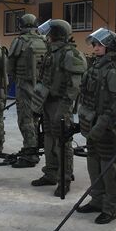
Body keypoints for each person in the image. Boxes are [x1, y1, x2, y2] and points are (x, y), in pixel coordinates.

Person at [76, 28, 116, 224]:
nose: (94, 48)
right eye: (93, 45)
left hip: (109, 129)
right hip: (92, 126)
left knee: (110, 169)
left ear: (110, 46)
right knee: (93, 163)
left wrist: (101, 126)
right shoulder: (96, 67)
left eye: (98, 44)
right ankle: (97, 200)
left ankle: (110, 206)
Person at [30, 19, 86, 197]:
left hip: (61, 103)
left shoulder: (71, 54)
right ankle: (51, 173)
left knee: (62, 142)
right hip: (47, 101)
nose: (47, 36)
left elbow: (74, 86)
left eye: (50, 33)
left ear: (56, 34)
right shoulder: (51, 52)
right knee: (48, 139)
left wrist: (65, 108)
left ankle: (65, 179)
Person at [7, 14, 48, 168]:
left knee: (25, 120)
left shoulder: (20, 41)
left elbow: (10, 66)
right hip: (41, 87)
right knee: (35, 118)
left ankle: (30, 154)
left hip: (24, 86)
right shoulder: (44, 40)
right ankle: (33, 149)